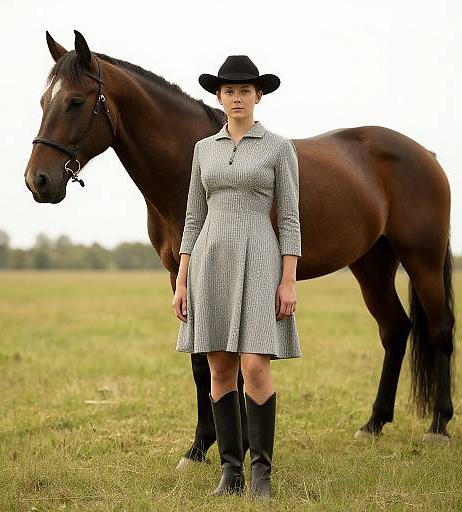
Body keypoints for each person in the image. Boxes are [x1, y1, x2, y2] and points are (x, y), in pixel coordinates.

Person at [172, 55, 302, 500]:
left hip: (261, 259)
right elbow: (192, 217)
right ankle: (230, 471)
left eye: (245, 90)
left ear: (258, 95)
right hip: (209, 261)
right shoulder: (203, 149)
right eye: (229, 91)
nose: (237, 98)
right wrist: (182, 278)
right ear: (219, 97)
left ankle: (261, 472)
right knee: (219, 366)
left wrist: (288, 280)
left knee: (254, 365)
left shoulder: (278, 147)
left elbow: (289, 218)